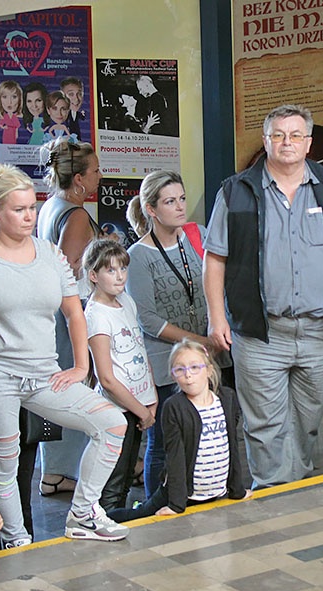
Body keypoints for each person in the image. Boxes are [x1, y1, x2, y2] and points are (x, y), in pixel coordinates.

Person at [0, 163, 129, 545]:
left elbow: (74, 311)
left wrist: (80, 366)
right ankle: (16, 540)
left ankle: (82, 516)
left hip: (45, 373)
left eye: (32, 208)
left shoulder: (49, 255)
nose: (28, 216)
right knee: (4, 467)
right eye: (18, 209)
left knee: (112, 424)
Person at [204, 104, 323, 488]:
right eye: (278, 135)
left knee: (307, 422)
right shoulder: (236, 191)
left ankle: (297, 491)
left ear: (308, 143)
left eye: (295, 135)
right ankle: (275, 500)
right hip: (261, 333)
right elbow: (215, 258)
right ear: (265, 141)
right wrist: (216, 316)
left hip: (320, 332)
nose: (286, 142)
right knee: (265, 427)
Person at [127, 170, 219, 497]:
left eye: (181, 199)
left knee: (210, 430)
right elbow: (147, 319)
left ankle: (201, 491)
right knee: (164, 440)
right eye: (170, 201)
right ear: (151, 209)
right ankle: (157, 502)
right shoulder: (138, 256)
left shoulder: (197, 235)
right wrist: (197, 342)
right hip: (168, 360)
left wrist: (215, 334)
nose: (180, 207)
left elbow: (215, 283)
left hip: (209, 354)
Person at [108, 340, 249, 522]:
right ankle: (98, 518)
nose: (188, 375)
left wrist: (237, 489)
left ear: (209, 370)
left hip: (213, 492)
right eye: (180, 370)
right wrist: (176, 504)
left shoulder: (227, 398)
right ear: (173, 376)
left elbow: (231, 447)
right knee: (139, 516)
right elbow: (175, 457)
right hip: (180, 494)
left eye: (194, 368)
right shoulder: (174, 407)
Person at [35, 137, 104, 500]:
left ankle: (54, 472)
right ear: (78, 179)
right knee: (74, 389)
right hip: (70, 315)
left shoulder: (50, 206)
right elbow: (69, 270)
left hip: (54, 317)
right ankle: (61, 471)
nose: (99, 176)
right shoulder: (75, 215)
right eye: (94, 171)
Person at [82, 240, 157, 512]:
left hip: (139, 404)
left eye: (123, 268)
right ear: (93, 276)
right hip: (119, 410)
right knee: (113, 481)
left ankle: (121, 521)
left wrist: (151, 397)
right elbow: (108, 379)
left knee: (126, 477)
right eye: (111, 270)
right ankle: (106, 523)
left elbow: (139, 347)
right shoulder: (95, 315)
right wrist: (141, 411)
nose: (120, 276)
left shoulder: (125, 301)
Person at [0, 80, 23, 146]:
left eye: (14, 97)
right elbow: (0, 124)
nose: (9, 102)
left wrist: (16, 134)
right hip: (6, 134)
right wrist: (4, 127)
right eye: (4, 97)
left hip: (13, 135)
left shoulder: (15, 117)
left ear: (19, 100)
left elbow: (17, 127)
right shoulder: (4, 116)